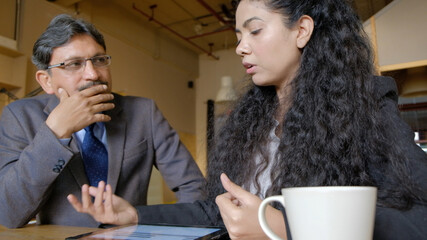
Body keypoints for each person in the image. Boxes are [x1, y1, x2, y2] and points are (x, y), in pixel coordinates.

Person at [68, 0, 427, 239]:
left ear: (301, 30)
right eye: (239, 35)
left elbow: (419, 218)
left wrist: (286, 227)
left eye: (254, 31)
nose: (241, 46)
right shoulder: (252, 120)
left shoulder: (366, 103)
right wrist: (134, 215)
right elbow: (217, 211)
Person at [0, 14, 206, 229]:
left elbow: (194, 187)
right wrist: (56, 132)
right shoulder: (20, 116)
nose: (92, 74)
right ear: (46, 81)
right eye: (73, 64)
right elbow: (8, 214)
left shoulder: (144, 112)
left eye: (99, 60)